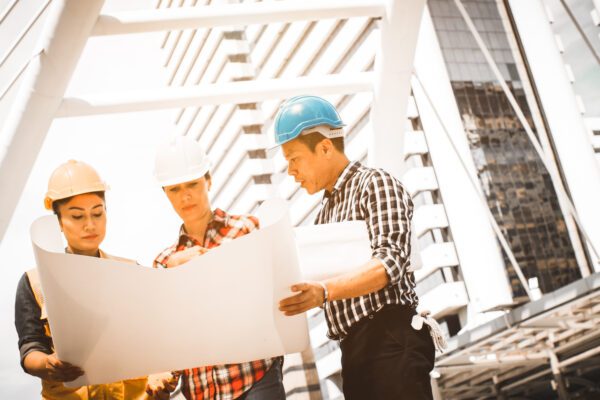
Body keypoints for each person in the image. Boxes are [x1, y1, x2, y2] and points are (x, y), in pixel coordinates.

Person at [276, 95, 438, 399]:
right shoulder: (324, 215)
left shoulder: (374, 184)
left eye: (294, 159)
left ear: (325, 147)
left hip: (390, 339)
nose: (291, 171)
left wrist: (323, 292)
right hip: (354, 351)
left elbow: (389, 263)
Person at [14, 160, 174, 400]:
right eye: (77, 216)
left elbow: (157, 337)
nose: (90, 224)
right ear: (58, 221)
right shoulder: (34, 283)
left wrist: (161, 372)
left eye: (97, 213)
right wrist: (48, 364)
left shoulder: (131, 274)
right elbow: (30, 346)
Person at [152, 136, 285, 400]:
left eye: (192, 184)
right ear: (165, 194)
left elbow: (276, 296)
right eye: (175, 189)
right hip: (201, 390)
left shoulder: (247, 229)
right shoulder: (163, 262)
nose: (185, 195)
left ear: (208, 181)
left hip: (254, 378)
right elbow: (168, 333)